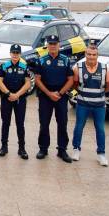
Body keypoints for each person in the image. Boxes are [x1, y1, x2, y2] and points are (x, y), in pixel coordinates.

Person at [34, 34, 74, 163]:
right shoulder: (41, 60)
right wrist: (49, 93)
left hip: (60, 96)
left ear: (59, 45)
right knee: (44, 123)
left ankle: (62, 150)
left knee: (62, 123)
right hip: (45, 96)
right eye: (50, 44)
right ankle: (43, 149)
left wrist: (60, 93)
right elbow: (37, 79)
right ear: (47, 45)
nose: (52, 46)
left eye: (55, 44)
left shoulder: (66, 60)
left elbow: (71, 79)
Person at [71, 44, 109, 166]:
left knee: (100, 129)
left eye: (94, 55)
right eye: (88, 54)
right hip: (83, 103)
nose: (91, 57)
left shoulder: (105, 69)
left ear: (97, 55)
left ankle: (101, 154)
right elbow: (74, 83)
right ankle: (76, 149)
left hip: (99, 105)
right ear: (85, 54)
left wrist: (98, 95)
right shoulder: (78, 67)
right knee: (79, 126)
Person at [0, 44, 31, 159]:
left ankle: (22, 148)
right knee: (5, 123)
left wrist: (17, 95)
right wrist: (8, 94)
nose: (15, 55)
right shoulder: (4, 66)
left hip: (20, 99)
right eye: (13, 52)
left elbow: (28, 83)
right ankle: (3, 147)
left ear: (20, 54)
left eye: (17, 53)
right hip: (6, 99)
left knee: (20, 124)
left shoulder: (24, 66)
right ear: (10, 53)